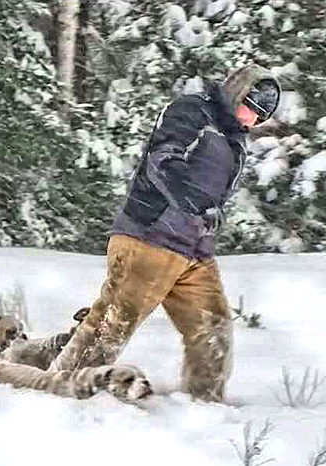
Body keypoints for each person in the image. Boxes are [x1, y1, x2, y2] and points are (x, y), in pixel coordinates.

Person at [52, 65, 281, 402]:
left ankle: (204, 405)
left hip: (193, 250)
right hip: (150, 236)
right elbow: (163, 160)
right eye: (250, 108)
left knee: (213, 329)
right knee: (113, 324)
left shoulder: (233, 138)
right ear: (236, 92)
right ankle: (65, 390)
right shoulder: (193, 112)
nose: (251, 120)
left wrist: (207, 218)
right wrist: (197, 203)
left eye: (260, 118)